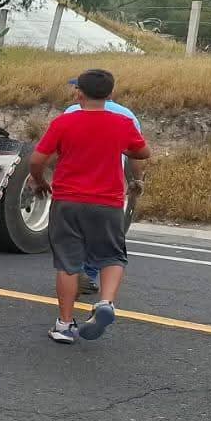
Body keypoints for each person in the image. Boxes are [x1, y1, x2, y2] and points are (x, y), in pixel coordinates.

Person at [28, 69, 151, 344]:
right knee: (113, 256)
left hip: (68, 201)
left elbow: (37, 160)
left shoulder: (64, 122)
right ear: (110, 94)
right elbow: (143, 152)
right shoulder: (123, 122)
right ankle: (105, 302)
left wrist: (39, 180)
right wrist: (120, 148)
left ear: (78, 93)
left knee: (68, 263)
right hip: (108, 202)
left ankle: (64, 325)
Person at [61, 87, 145, 295]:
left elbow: (58, 149)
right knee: (103, 238)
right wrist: (136, 180)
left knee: (74, 234)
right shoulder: (126, 116)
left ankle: (74, 272)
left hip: (72, 188)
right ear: (109, 92)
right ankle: (89, 276)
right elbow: (136, 154)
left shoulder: (71, 111)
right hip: (107, 190)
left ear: (82, 93)